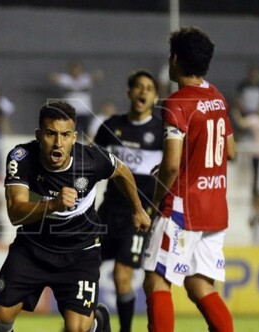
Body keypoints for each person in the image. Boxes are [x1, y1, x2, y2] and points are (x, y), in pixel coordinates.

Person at [0, 101, 151, 332]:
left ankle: (98, 322)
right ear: (38, 135)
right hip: (32, 249)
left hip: (79, 253)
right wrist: (53, 204)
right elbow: (15, 212)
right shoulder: (21, 158)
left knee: (77, 329)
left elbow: (122, 171)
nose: (58, 142)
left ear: (74, 137)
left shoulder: (92, 159)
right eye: (51, 134)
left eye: (65, 135)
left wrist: (138, 209)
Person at [142, 26, 236, 332]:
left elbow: (170, 166)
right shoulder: (217, 98)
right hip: (215, 208)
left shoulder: (176, 103)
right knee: (198, 284)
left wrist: (153, 203)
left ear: (176, 59)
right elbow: (231, 151)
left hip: (182, 207)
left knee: (157, 280)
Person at [93, 69, 163, 332]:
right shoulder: (111, 127)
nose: (143, 91)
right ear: (129, 92)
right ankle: (82, 323)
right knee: (84, 269)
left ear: (155, 97)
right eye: (138, 86)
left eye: (149, 88)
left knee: (122, 275)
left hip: (139, 216)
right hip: (107, 213)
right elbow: (91, 168)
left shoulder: (161, 132)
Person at [50, 60, 104, 138]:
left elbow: (99, 75)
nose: (76, 71)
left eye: (78, 69)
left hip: (84, 110)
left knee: (87, 132)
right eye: (74, 69)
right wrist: (72, 85)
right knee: (70, 132)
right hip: (70, 111)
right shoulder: (66, 79)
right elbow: (53, 77)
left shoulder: (85, 78)